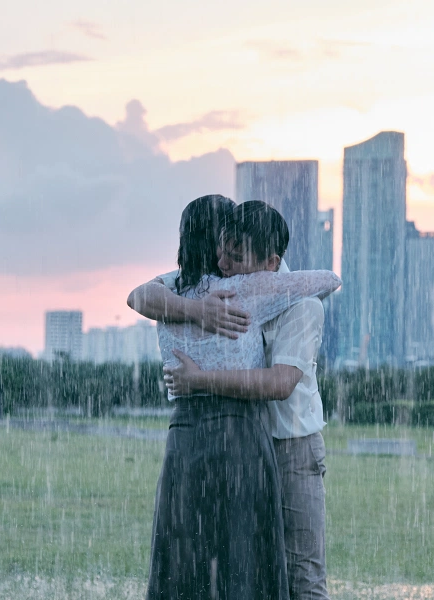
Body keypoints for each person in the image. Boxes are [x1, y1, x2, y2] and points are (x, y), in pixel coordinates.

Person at [133, 199, 340, 600]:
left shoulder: (301, 304)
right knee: (248, 560)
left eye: (235, 255)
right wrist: (196, 311)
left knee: (302, 572)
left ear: (268, 261)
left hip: (292, 445)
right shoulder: (216, 287)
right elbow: (140, 295)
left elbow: (279, 383)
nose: (224, 263)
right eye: (221, 250)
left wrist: (200, 379)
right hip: (252, 442)